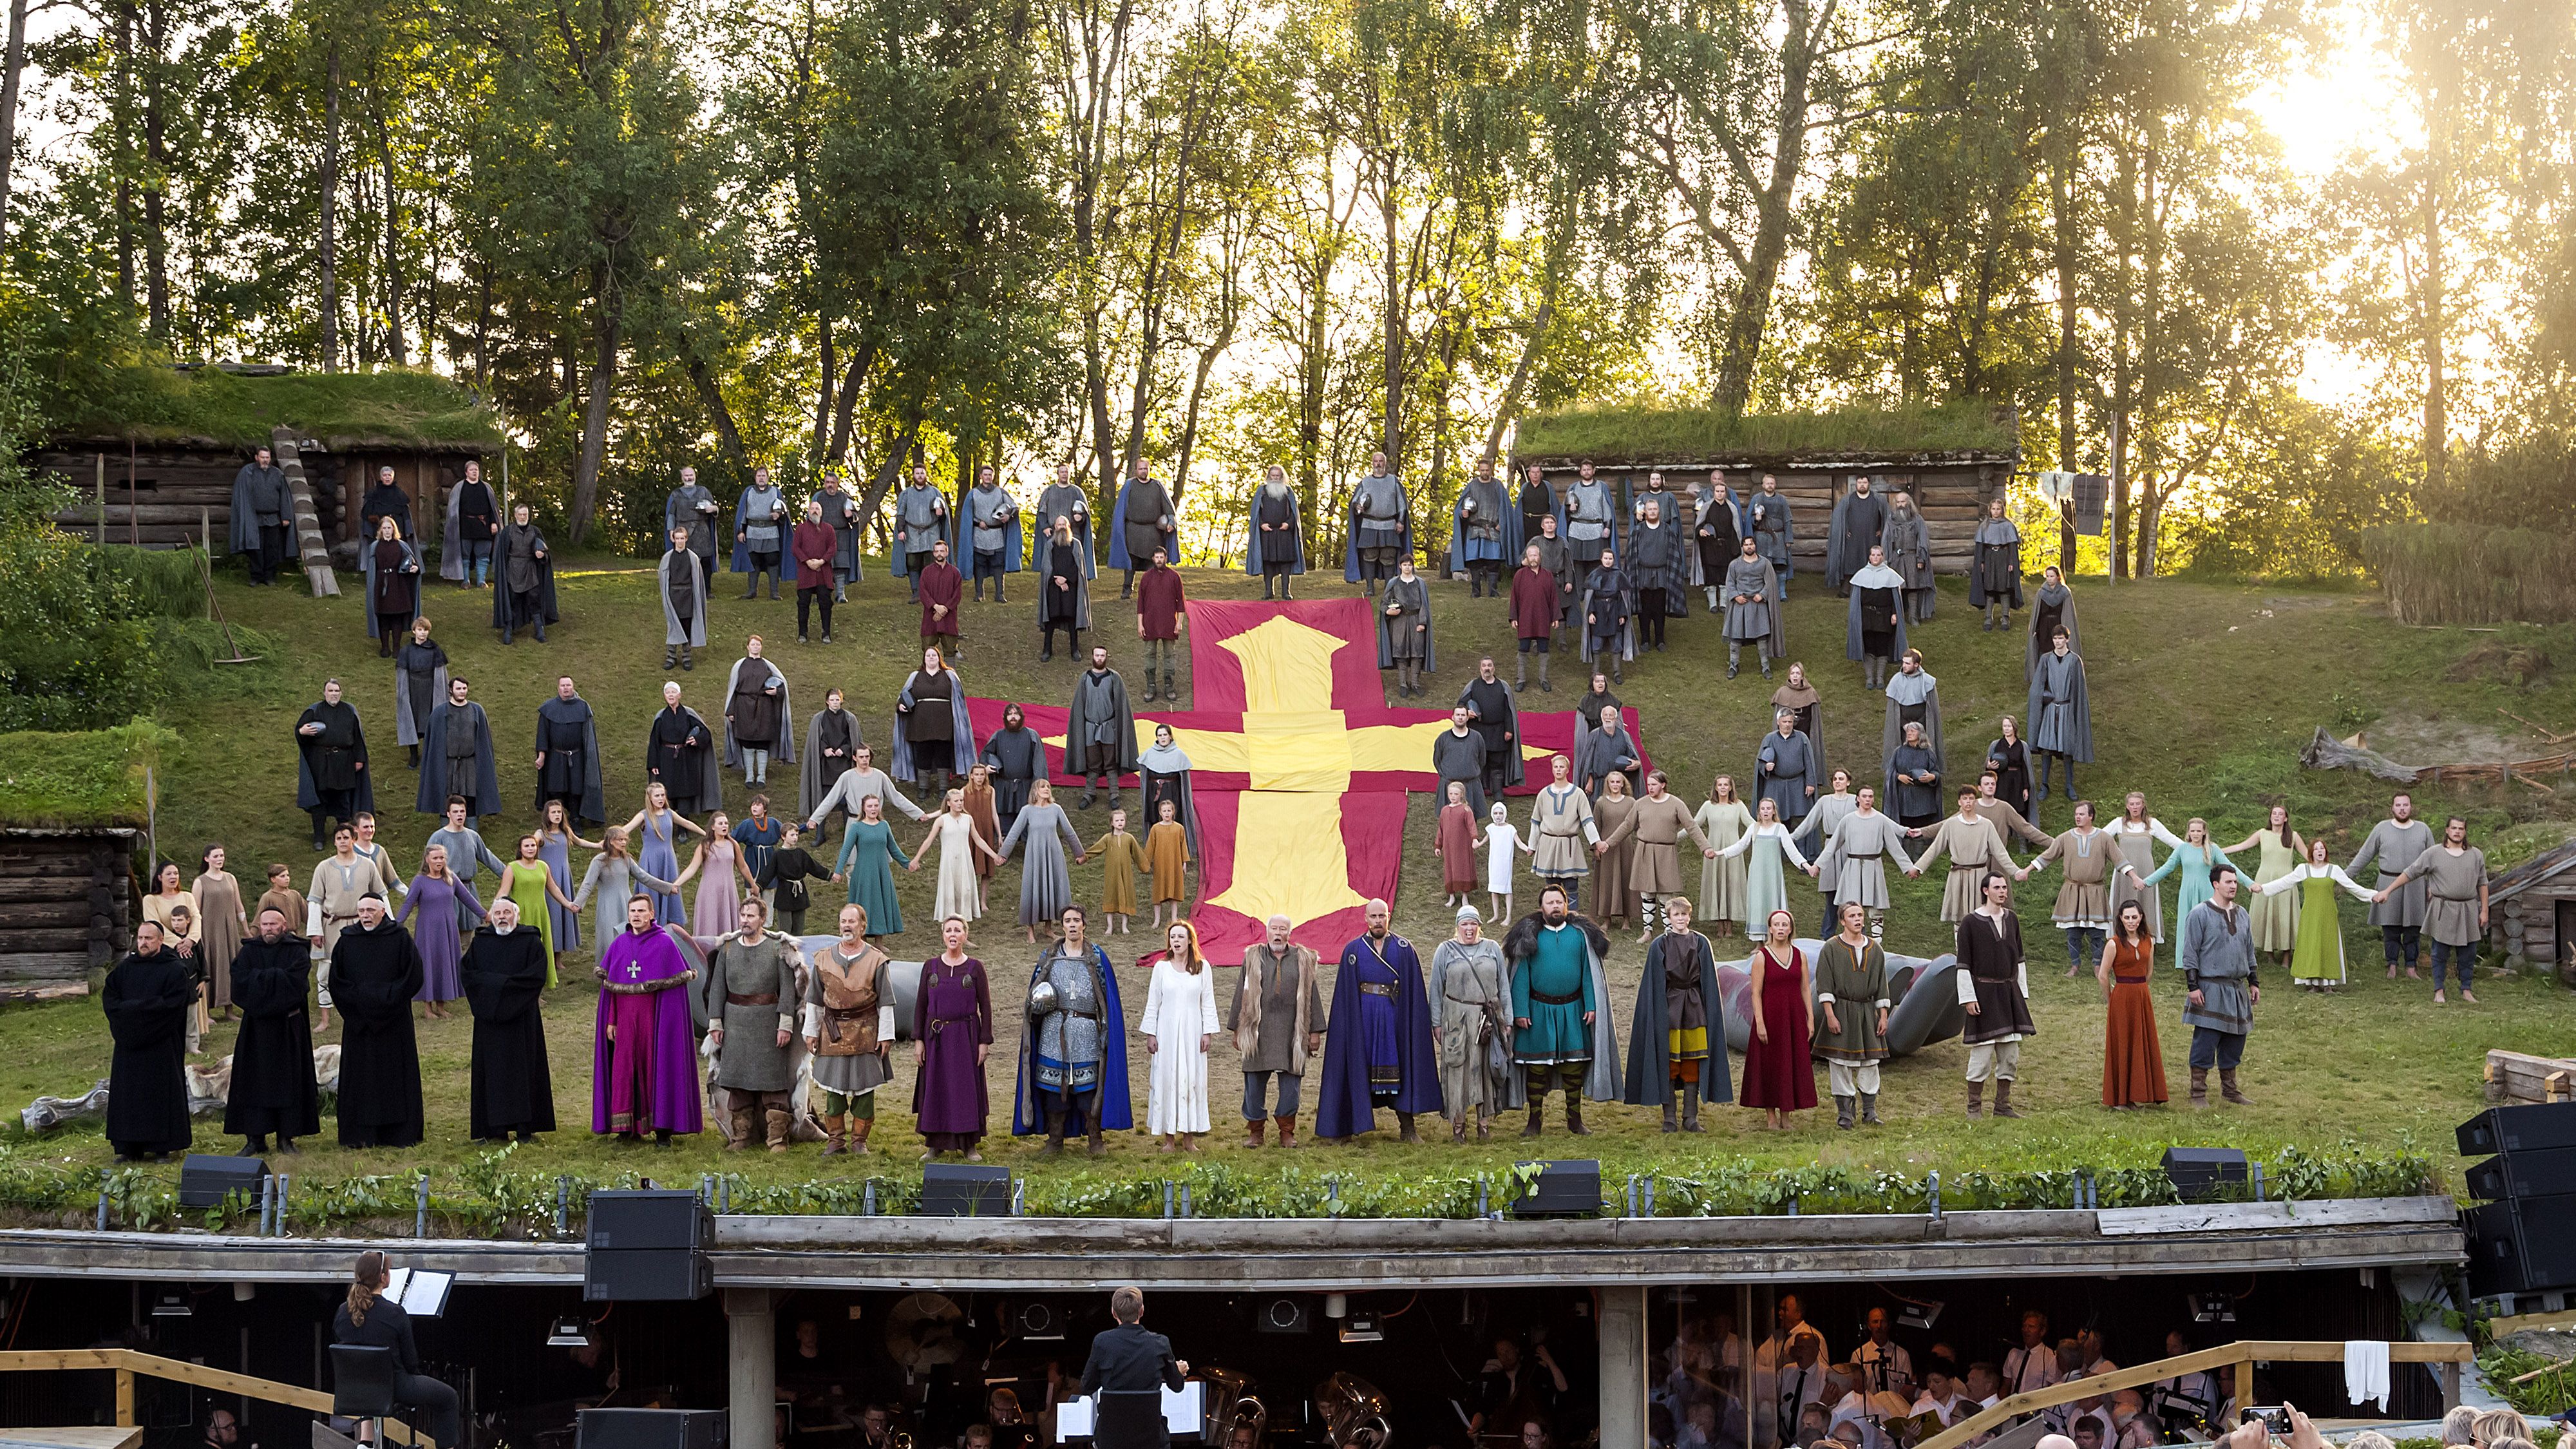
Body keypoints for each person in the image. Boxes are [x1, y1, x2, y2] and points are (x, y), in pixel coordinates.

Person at [1314, 899, 1441, 1142]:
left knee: (1402, 1067)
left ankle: (1408, 1129)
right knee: (1357, 1066)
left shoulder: (1405, 948)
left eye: (1382, 916)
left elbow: (1414, 991)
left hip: (1396, 1021)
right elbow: (1345, 995)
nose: (1378, 921)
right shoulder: (1353, 950)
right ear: (1366, 918)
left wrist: (1411, 1023)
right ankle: (1347, 1128)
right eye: (1373, 916)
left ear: (1389, 916)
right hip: (1363, 1021)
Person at [1502, 884, 1621, 1136]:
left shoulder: (1580, 936)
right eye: (1550, 903)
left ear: (1566, 905)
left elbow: (1589, 974)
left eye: (1559, 902)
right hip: (1538, 1012)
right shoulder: (1530, 937)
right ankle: (1534, 1121)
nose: (1555, 906)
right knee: (1536, 1069)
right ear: (1542, 907)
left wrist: (1591, 1004)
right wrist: (1521, 1010)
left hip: (1573, 1010)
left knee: (1574, 1067)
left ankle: (1574, 1120)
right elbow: (1521, 975)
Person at [1014, 905, 1134, 1154]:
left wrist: (1105, 1029)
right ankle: (1055, 1140)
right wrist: (1036, 1005)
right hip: (1053, 1029)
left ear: (1084, 925)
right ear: (1062, 925)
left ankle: (1095, 1139)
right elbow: (1034, 992)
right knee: (1052, 1088)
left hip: (1086, 1030)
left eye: (1076, 920)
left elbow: (1107, 997)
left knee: (1088, 1089)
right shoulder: (1049, 956)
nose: (1072, 925)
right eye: (1067, 921)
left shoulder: (1097, 958)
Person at [594, 895, 704, 1145]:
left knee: (657, 1070)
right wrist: (611, 1020)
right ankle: (626, 1129)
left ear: (652, 915)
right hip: (623, 1022)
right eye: (633, 911)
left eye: (642, 911)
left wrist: (664, 1027)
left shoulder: (664, 944)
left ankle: (662, 1128)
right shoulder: (619, 944)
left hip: (654, 1023)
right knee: (624, 1072)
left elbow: (674, 994)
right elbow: (611, 988)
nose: (636, 915)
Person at [334, 1252, 464, 1449]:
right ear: (384, 1278)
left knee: (369, 1381)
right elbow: (411, 1362)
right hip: (396, 1387)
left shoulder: (343, 1311)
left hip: (355, 1390)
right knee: (449, 1398)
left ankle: (365, 1444)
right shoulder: (395, 1313)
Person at [1624, 894, 1728, 1132]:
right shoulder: (1659, 945)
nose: (1680, 918)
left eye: (1684, 914)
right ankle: (1669, 1117)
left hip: (1694, 1010)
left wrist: (1706, 1008)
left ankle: (1690, 1118)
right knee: (1670, 1063)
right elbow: (1654, 984)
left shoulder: (1701, 943)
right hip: (1669, 1010)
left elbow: (1708, 982)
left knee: (1692, 1062)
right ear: (1668, 918)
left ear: (1689, 917)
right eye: (1676, 914)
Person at [705, 898, 802, 1151]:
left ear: (763, 919)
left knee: (773, 1082)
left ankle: (778, 1138)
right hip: (735, 1023)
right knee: (738, 1082)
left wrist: (785, 1024)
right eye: (743, 915)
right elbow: (717, 988)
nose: (745, 920)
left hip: (768, 1022)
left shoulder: (777, 948)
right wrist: (716, 1022)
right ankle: (742, 1136)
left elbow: (788, 990)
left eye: (751, 916)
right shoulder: (727, 948)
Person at [332, 893, 427, 1148]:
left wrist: (388, 1000)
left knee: (395, 1077)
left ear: (383, 911)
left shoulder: (399, 939)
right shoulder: (347, 941)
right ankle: (360, 1134)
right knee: (360, 1078)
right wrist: (361, 1005)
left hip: (394, 1022)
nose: (365, 915)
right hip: (359, 1025)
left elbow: (413, 975)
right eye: (361, 910)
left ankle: (398, 1134)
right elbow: (337, 982)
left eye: (370, 910)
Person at [460, 896, 556, 1142]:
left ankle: (525, 1129)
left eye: (507, 912)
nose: (502, 917)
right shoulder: (480, 942)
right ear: (491, 916)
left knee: (525, 1072)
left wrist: (500, 990)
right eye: (498, 913)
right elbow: (470, 976)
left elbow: (534, 977)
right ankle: (495, 1130)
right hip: (489, 1023)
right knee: (491, 1074)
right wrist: (499, 992)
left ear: (517, 916)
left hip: (522, 1021)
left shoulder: (530, 942)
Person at [225, 905, 319, 1152]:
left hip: (287, 1028)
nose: (268, 929)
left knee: (289, 1082)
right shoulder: (248, 952)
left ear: (284, 926)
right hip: (256, 1029)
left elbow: (296, 985)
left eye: (273, 925)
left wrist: (260, 981)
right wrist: (274, 981)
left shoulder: (297, 951)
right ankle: (255, 1139)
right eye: (264, 925)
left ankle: (285, 1138)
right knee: (253, 1082)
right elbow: (239, 983)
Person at [806, 905, 895, 1155]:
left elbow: (886, 1001)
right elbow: (814, 997)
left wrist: (886, 1035)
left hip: (866, 1032)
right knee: (834, 1087)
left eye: (852, 922)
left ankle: (859, 1142)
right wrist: (810, 1031)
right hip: (832, 1032)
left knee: (865, 1088)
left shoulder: (876, 959)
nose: (847, 926)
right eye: (843, 921)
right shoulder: (822, 958)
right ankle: (835, 1141)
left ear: (862, 926)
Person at [104, 921, 196, 1161]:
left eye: (149, 939)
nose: (143, 943)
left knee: (160, 1094)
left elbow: (173, 1006)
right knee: (128, 1094)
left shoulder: (174, 970)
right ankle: (129, 1147)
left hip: (161, 1044)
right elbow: (111, 1000)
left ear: (161, 940)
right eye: (141, 938)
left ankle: (161, 1146)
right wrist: (132, 1021)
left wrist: (134, 1012)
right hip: (128, 1046)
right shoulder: (125, 969)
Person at [2374, 817, 2490, 1005]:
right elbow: (2411, 872)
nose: (2457, 832)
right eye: (2454, 828)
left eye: (2461, 828)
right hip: (2443, 908)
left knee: (2468, 953)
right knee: (2440, 952)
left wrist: (2484, 911)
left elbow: (2483, 883)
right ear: (2447, 830)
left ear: (2465, 832)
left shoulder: (2476, 854)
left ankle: (2467, 989)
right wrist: (2387, 891)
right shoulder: (2434, 853)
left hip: (2468, 908)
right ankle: (2439, 990)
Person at [1233, 922, 1329, 1146]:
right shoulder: (1253, 957)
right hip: (1258, 1030)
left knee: (1291, 1085)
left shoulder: (1302, 959)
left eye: (1282, 929)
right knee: (1254, 1083)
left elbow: (1312, 995)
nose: (1278, 933)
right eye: (1274, 929)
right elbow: (1241, 993)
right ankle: (1256, 1132)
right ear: (1267, 932)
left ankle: (1287, 1132)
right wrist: (1237, 1029)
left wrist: (1314, 1031)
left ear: (1289, 933)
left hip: (1292, 1030)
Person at [1951, 871, 2034, 1119]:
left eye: (2005, 887)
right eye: (1997, 888)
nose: (2003, 892)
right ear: (1985, 891)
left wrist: (2022, 993)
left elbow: (2019, 958)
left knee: (2010, 1055)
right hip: (1983, 995)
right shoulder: (1970, 923)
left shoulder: (2012, 919)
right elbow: (1963, 963)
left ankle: (2003, 1106)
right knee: (1982, 1054)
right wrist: (1968, 997)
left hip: (2009, 994)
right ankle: (1974, 1108)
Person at [2179, 865, 2261, 1108]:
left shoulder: (2243, 914)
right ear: (2216, 884)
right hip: (2210, 988)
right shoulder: (2199, 914)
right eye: (2228, 882)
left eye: (2235, 882)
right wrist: (2193, 986)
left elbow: (2249, 950)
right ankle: (2198, 1093)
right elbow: (2190, 953)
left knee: (2235, 1041)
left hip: (2236, 989)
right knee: (2205, 1041)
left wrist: (2253, 982)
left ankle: (2230, 1090)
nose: (2233, 886)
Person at [914, 915, 996, 1160]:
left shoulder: (975, 968)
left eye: (957, 930)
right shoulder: (930, 967)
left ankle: (969, 1145)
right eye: (948, 930)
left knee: (965, 1090)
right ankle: (935, 1144)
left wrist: (984, 1041)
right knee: (936, 1089)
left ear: (964, 935)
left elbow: (986, 1006)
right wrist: (919, 1040)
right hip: (936, 1039)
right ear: (943, 935)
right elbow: (920, 1005)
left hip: (966, 1037)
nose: (953, 934)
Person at [1602, 770, 1717, 938]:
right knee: (1646, 893)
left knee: (1665, 894)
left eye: (1654, 785)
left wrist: (1705, 847)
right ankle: (1647, 931)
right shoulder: (1641, 804)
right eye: (1649, 785)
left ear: (1663, 785)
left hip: (1666, 853)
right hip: (1645, 851)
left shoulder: (1676, 804)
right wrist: (1609, 843)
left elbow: (1692, 826)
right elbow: (1627, 826)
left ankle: (1669, 931)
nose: (1650, 788)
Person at [1427, 905, 1508, 1142]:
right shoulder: (1445, 950)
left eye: (1473, 923)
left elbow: (1504, 987)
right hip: (1456, 1021)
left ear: (1479, 926)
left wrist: (1508, 1020)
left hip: (1487, 1021)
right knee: (1457, 1071)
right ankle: (1458, 1126)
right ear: (1457, 926)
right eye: (1465, 924)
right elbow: (1435, 989)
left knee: (1486, 1069)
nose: (1469, 928)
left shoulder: (1492, 948)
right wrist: (1436, 1023)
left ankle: (1483, 1125)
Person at [1142, 921, 1220, 1151]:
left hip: (1192, 1033)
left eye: (1180, 937)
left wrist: (1207, 1032)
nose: (1176, 941)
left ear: (1189, 941)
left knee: (1191, 1081)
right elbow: (1153, 1002)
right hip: (1166, 1033)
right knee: (1166, 1079)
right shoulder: (1161, 968)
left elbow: (1208, 1002)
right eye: (1172, 937)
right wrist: (1151, 1034)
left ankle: (1189, 1138)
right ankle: (1168, 1138)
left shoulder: (1203, 968)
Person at [2260, 839, 2376, 990]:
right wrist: (2263, 888)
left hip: (2328, 915)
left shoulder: (2333, 870)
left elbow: (2352, 887)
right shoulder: (2303, 869)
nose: (2320, 851)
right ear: (2311, 853)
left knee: (2328, 945)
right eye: (2316, 849)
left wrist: (2373, 896)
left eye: (2322, 848)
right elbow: (2285, 882)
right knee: (2312, 946)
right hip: (2310, 915)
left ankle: (2328, 985)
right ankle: (2312, 982)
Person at [1814, 902, 1891, 1129]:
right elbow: (1825, 986)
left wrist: (1883, 1015)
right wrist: (1830, 1015)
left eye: (1860, 915)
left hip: (1868, 1012)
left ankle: (1870, 1111)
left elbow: (1881, 985)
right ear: (1842, 921)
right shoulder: (1831, 948)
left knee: (1870, 1063)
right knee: (1840, 1063)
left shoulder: (1875, 949)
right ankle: (1845, 1113)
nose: (1857, 919)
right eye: (1852, 916)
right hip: (1842, 1011)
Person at [2027, 800, 2126, 976]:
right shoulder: (2065, 838)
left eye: (2081, 814)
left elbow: (2119, 860)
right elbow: (2047, 856)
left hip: (2095, 891)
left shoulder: (2104, 838)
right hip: (2072, 890)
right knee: (2073, 932)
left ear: (2091, 816)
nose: (2078, 817)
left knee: (2096, 932)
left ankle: (2098, 966)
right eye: (2076, 814)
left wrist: (2134, 878)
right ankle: (2075, 966)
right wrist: (2026, 871)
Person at [1082, 1287, 1187, 1449]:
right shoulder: (1160, 1343)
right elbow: (1177, 1386)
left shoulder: (1102, 1342)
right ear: (1142, 1311)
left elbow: (1087, 1386)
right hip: (1151, 1441)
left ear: (1114, 1313)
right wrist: (1174, 1371)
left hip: (1111, 1440)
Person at [1740, 910, 1815, 1130]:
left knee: (1791, 1063)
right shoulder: (1762, 957)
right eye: (1777, 925)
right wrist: (1760, 1023)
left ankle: (1787, 1116)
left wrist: (1810, 1018)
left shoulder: (1799, 955)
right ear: (1770, 929)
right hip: (1771, 1019)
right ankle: (1771, 1116)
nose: (1781, 928)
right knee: (1770, 1065)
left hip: (1793, 1019)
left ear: (1790, 929)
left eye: (1785, 925)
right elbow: (1756, 992)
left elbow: (1805, 989)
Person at [2349, 794, 2434, 981]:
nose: (2402, 808)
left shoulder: (2423, 830)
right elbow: (2365, 855)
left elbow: (2433, 861)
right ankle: (2392, 966)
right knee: (2390, 928)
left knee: (2413, 929)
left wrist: (2433, 885)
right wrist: (2344, 877)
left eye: (2405, 805)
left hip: (2415, 885)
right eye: (2398, 805)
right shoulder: (2382, 829)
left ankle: (2411, 967)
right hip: (2388, 884)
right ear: (2392, 808)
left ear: (2411, 807)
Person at [398, 843, 486, 1019]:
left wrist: (486, 915)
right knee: (428, 964)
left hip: (447, 929)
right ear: (427, 860)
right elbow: (408, 904)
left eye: (442, 858)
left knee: (445, 963)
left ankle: (441, 1006)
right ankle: (428, 1008)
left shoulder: (450, 878)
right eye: (435, 858)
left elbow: (467, 899)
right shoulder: (420, 881)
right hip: (427, 930)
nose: (439, 861)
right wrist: (396, 924)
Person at [999, 779, 1089, 941]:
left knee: (1052, 888)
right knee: (1033, 888)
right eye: (1043, 787)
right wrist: (1003, 854)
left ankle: (1048, 928)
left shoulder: (1056, 809)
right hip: (1034, 854)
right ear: (1035, 791)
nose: (1047, 789)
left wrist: (1079, 853)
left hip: (1054, 853)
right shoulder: (1027, 810)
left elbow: (1069, 831)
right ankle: (1030, 930)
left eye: (1048, 787)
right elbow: (1014, 833)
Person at [2099, 899, 2168, 1109]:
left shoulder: (2149, 941)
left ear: (2141, 918)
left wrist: (2140, 990)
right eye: (2127, 917)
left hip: (2141, 995)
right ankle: (2120, 1098)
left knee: (2141, 1042)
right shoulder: (2114, 943)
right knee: (2123, 1044)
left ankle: (2137, 1092)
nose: (2131, 921)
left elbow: (2148, 972)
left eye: (2134, 917)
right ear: (2121, 918)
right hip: (2121, 996)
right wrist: (2112, 998)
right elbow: (2103, 975)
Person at [1819, 786, 1917, 932]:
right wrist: (1818, 865)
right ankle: (1854, 941)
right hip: (1853, 866)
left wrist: (1908, 867)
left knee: (1875, 907)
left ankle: (1877, 944)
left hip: (1873, 866)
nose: (1868, 799)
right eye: (1864, 796)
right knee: (1852, 906)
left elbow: (1894, 846)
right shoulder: (1848, 820)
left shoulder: (1880, 820)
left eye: (1871, 797)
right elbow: (1832, 846)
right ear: (1858, 799)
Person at [1716, 796, 1819, 928]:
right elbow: (1740, 846)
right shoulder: (1754, 828)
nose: (1766, 811)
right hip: (1757, 874)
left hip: (1773, 874)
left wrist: (1807, 867)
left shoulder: (1780, 829)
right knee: (1758, 902)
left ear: (1774, 811)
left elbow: (1792, 851)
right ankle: (1758, 940)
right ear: (1759, 812)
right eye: (1763, 809)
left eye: (1769, 809)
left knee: (1772, 902)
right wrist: (1719, 853)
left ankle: (1773, 937)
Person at [2222, 804, 2304, 969]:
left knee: (2285, 916)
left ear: (2286, 818)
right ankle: (2269, 956)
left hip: (2286, 881)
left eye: (2280, 814)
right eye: (2274, 813)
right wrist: (2217, 851)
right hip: (2264, 880)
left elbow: (2308, 855)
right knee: (2266, 915)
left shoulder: (2293, 836)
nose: (2276, 816)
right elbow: (2241, 846)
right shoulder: (2262, 834)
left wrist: (2324, 868)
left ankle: (2286, 958)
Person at [295, 679, 374, 849]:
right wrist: (302, 731)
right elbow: (300, 730)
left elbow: (358, 736)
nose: (334, 694)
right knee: (320, 801)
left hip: (344, 763)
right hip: (321, 763)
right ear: (324, 693)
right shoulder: (314, 710)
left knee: (343, 801)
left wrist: (359, 759)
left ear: (341, 693)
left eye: (337, 691)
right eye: (331, 691)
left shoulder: (349, 710)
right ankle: (319, 838)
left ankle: (344, 836)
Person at [573, 827, 679, 951]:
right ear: (611, 841)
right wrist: (578, 903)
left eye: (625, 840)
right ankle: (609, 967)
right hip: (608, 906)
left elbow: (644, 877)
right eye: (620, 840)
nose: (624, 843)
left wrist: (668, 887)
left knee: (629, 934)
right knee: (610, 937)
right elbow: (588, 884)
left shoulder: (626, 860)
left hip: (626, 903)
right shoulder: (599, 861)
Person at [892, 645, 972, 799]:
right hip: (920, 723)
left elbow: (959, 699)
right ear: (924, 659)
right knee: (923, 753)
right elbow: (904, 695)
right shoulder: (915, 676)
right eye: (928, 656)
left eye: (934, 655)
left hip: (945, 722)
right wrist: (900, 705)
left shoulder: (950, 676)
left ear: (939, 658)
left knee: (943, 753)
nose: (931, 658)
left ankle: (943, 789)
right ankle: (923, 787)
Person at [417, 676, 500, 820]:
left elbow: (484, 741)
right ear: (451, 690)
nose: (462, 692)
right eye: (458, 688)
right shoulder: (439, 713)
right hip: (448, 764)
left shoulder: (477, 711)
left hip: (470, 764)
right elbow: (433, 744)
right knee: (447, 799)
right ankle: (446, 834)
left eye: (464, 688)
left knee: (471, 799)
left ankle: (472, 836)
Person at [1068, 646, 1139, 810]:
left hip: (1109, 727)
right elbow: (1079, 705)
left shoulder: (1114, 678)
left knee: (1110, 762)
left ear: (1107, 657)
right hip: (1090, 728)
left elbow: (1121, 704)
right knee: (1093, 762)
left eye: (1102, 655)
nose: (1099, 658)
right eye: (1097, 655)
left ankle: (1114, 794)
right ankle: (1089, 793)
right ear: (1092, 657)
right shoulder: (1084, 678)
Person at [830, 794, 911, 939]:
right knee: (863, 905)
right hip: (863, 873)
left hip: (881, 872)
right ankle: (862, 941)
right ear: (864, 808)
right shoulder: (857, 827)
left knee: (880, 904)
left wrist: (908, 864)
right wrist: (838, 871)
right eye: (870, 806)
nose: (873, 809)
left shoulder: (884, 826)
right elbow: (846, 850)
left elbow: (893, 849)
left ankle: (879, 942)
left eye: (876, 805)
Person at [2026, 627, 2092, 801]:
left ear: (2067, 640)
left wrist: (2076, 712)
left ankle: (2069, 785)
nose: (2057, 641)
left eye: (2061, 638)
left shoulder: (2074, 660)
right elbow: (2037, 687)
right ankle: (2044, 785)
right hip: (2050, 709)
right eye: (2055, 638)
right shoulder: (2046, 659)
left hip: (2067, 709)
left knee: (2067, 749)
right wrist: (2043, 697)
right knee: (2047, 748)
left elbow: (2079, 690)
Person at [1528, 753, 1600, 912]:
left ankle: (1572, 916)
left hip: (1569, 844)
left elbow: (1587, 821)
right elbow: (1536, 822)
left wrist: (1596, 842)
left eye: (1562, 767)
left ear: (1567, 770)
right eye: (1556, 767)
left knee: (1571, 883)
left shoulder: (1578, 794)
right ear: (1552, 770)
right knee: (1552, 884)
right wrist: (1532, 845)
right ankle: (1551, 915)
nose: (1558, 770)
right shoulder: (1544, 794)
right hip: (1549, 843)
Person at [722, 637, 795, 790]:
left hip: (764, 707)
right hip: (743, 707)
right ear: (748, 647)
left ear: (761, 647)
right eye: (753, 644)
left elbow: (782, 686)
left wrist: (777, 691)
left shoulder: (768, 666)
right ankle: (749, 776)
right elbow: (733, 690)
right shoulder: (739, 666)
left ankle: (761, 776)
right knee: (747, 741)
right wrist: (731, 710)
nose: (756, 647)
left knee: (763, 742)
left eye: (758, 644)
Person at [647, 680, 724, 818]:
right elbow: (654, 741)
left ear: (679, 695)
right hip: (667, 759)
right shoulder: (661, 717)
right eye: (668, 692)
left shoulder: (689, 715)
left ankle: (684, 827)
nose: (671, 695)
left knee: (685, 790)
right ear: (665, 696)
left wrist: (697, 740)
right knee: (667, 790)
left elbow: (705, 732)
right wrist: (654, 763)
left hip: (686, 758)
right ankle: (668, 822)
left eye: (673, 692)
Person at [533, 676, 605, 826]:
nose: (566, 688)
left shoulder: (583, 707)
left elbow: (588, 736)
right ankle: (557, 819)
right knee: (555, 788)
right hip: (556, 756)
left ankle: (575, 818)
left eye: (568, 685)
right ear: (558, 688)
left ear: (573, 687)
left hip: (577, 755)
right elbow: (543, 734)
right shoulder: (549, 708)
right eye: (563, 685)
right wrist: (542, 755)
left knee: (576, 788)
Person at [1882, 652, 1944, 822]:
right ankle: (1901, 776)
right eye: (1903, 663)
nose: (1904, 666)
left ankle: (1924, 774)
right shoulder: (1897, 680)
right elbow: (1896, 707)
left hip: (1922, 720)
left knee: (1921, 751)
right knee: (1904, 752)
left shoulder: (1927, 681)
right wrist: (1905, 725)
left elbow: (1931, 707)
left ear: (1917, 665)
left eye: (1908, 663)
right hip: (1903, 719)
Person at [1693, 777, 1756, 936]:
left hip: (1733, 850)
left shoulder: (1738, 806)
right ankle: (1719, 925)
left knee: (1732, 883)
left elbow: (1752, 824)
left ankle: (1730, 925)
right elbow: (1693, 825)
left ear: (1730, 788)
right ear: (1715, 788)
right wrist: (1673, 837)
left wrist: (1772, 830)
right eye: (1719, 785)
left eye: (1725, 785)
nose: (1722, 787)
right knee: (1716, 882)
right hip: (1712, 850)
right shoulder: (1708, 806)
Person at [1451, 455, 1521, 597]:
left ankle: (1493, 591)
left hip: (1493, 528)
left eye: (1487, 470)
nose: (1485, 473)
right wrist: (1462, 513)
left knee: (1493, 562)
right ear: (1478, 471)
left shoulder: (1498, 486)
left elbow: (1506, 508)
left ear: (1491, 470)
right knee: (1474, 561)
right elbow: (1460, 507)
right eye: (1482, 470)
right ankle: (1475, 591)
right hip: (1475, 528)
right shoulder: (1472, 485)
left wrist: (1503, 523)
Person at [1108, 457, 1177, 599]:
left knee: (1154, 562)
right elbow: (1120, 509)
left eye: (1146, 468)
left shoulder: (1157, 486)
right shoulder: (1129, 485)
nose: (1143, 471)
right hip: (1133, 530)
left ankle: (1155, 590)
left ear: (1149, 469)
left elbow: (1168, 508)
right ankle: (1127, 589)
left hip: (1153, 531)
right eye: (1141, 469)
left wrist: (1171, 522)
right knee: (1131, 561)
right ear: (1136, 470)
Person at [1345, 451, 1411, 596]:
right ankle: (1370, 588)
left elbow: (1401, 504)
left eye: (1381, 461)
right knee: (1369, 555)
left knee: (1389, 556)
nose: (1378, 464)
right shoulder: (1365, 482)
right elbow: (1355, 502)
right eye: (1376, 461)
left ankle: (1389, 588)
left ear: (1385, 463)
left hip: (1389, 524)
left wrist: (1400, 521)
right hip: (1369, 524)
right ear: (1372, 463)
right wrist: (1358, 507)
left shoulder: (1394, 481)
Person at [1628, 493, 1688, 650]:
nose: (1653, 512)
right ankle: (1645, 640)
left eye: (1655, 509)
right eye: (1650, 509)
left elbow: (1673, 554)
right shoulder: (1638, 530)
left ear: (1659, 512)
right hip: (1643, 573)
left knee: (1659, 607)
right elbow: (1631, 555)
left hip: (1662, 573)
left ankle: (1660, 640)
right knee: (1645, 608)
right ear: (1645, 512)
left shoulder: (1667, 530)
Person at [1844, 545, 1907, 689]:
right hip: (1867, 616)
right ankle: (1869, 678)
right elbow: (1857, 600)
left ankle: (1880, 679)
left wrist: (1894, 613)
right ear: (1869, 557)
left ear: (1883, 557)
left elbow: (1895, 598)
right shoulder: (1861, 574)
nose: (1875, 558)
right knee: (1869, 646)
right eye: (1873, 555)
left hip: (1884, 616)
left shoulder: (1890, 574)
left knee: (1882, 646)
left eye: (1878, 555)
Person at [493, 502, 556, 645]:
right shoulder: (508, 532)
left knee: (534, 599)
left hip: (530, 571)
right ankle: (508, 630)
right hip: (513, 570)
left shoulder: (535, 531)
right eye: (520, 514)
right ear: (515, 515)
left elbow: (545, 552)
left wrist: (542, 556)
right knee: (512, 599)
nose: (523, 517)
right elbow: (501, 555)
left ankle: (539, 630)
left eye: (525, 514)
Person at [958, 465, 1023, 602]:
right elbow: (968, 515)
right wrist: (978, 522)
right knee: (979, 565)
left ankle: (1000, 594)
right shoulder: (973, 493)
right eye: (985, 474)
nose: (988, 477)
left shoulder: (1000, 492)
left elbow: (1014, 507)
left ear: (993, 476)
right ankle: (979, 594)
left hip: (996, 534)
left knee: (998, 565)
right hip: (979, 534)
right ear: (980, 476)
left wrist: (1008, 516)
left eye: (990, 475)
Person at [391, 617, 449, 769]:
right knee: (413, 719)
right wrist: (403, 695)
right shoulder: (406, 651)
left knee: (430, 719)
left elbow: (441, 673)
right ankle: (413, 755)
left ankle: (430, 754)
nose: (423, 633)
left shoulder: (435, 650)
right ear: (414, 631)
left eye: (426, 630)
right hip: (413, 689)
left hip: (430, 689)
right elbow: (402, 674)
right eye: (420, 630)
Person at [361, 516, 424, 655]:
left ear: (394, 529)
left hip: (398, 584)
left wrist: (415, 568)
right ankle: (384, 648)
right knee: (383, 617)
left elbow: (411, 562)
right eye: (384, 528)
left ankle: (396, 648)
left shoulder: (401, 545)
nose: (387, 531)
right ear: (381, 530)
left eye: (389, 528)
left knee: (397, 617)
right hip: (381, 584)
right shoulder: (375, 547)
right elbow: (372, 568)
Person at [229, 446, 291, 585]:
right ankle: (256, 577)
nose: (265, 460)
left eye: (267, 457)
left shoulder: (278, 474)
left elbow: (284, 497)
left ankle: (270, 577)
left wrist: (285, 516)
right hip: (254, 518)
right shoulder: (247, 473)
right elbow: (241, 494)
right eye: (262, 457)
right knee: (255, 549)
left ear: (270, 458)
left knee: (272, 549)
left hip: (273, 518)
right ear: (257, 457)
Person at [1038, 513, 1095, 662]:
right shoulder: (1050, 545)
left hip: (1071, 587)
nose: (1062, 527)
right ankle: (1047, 650)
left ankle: (1075, 650)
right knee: (1050, 619)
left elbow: (1080, 567)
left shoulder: (1076, 544)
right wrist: (1057, 580)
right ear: (1055, 527)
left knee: (1071, 618)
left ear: (1069, 527)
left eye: (1064, 524)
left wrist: (1067, 579)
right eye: (1059, 525)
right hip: (1054, 586)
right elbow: (1046, 566)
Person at [1244, 463, 1306, 598]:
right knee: (1268, 563)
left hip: (1285, 533)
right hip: (1267, 533)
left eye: (1278, 476)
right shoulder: (1262, 491)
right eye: (1273, 476)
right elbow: (1256, 513)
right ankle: (1268, 592)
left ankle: (1286, 592)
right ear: (1268, 476)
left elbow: (1294, 513)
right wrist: (1261, 525)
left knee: (1285, 564)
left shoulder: (1288, 492)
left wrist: (1288, 524)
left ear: (1282, 477)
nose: (1275, 478)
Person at [1379, 553, 1436, 695]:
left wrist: (1422, 622)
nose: (1407, 567)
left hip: (1416, 619)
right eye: (1405, 565)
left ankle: (1415, 684)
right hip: (1399, 621)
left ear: (1413, 566)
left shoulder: (1420, 583)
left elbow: (1424, 604)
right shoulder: (1394, 583)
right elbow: (1384, 603)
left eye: (1409, 565)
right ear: (1400, 566)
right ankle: (1403, 684)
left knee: (1417, 652)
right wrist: (1388, 611)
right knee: (1400, 652)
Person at [1135, 547, 1186, 702]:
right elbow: (1140, 604)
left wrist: (1180, 623)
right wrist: (1140, 624)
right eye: (1156, 557)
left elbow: (1181, 603)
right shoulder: (1146, 578)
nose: (1159, 560)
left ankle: (1169, 687)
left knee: (1169, 655)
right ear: (1153, 559)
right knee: (1150, 654)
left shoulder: (1175, 577)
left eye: (1161, 557)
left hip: (1169, 623)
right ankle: (1151, 687)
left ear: (1165, 558)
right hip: (1150, 623)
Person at [761, 824, 832, 936]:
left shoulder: (801, 854)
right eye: (792, 835)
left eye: (797, 835)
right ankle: (784, 952)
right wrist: (758, 886)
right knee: (785, 930)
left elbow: (814, 867)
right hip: (785, 894)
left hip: (799, 894)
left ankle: (797, 952)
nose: (795, 838)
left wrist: (830, 875)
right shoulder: (778, 855)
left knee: (798, 931)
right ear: (783, 837)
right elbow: (768, 873)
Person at [731, 465, 790, 599]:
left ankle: (774, 592)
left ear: (768, 478)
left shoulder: (776, 492)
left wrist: (779, 516)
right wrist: (741, 531)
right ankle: (752, 591)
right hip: (753, 531)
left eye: (764, 475)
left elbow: (784, 511)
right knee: (754, 560)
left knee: (772, 560)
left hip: (771, 531)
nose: (761, 478)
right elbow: (743, 512)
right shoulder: (748, 492)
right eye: (759, 476)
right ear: (755, 478)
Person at [1690, 469, 1746, 610]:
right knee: (1711, 575)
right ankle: (1712, 604)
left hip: (1726, 546)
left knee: (1724, 575)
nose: (1720, 494)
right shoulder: (1707, 507)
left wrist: (1736, 547)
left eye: (1722, 491)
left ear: (1726, 493)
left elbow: (1736, 528)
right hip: (1710, 546)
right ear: (1714, 492)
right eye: (1717, 491)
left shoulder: (1731, 508)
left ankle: (1723, 603)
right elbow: (1699, 524)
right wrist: (1700, 531)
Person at [1508, 544, 1560, 690]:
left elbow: (1554, 598)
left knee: (1544, 648)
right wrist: (1514, 617)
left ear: (1540, 557)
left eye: (1536, 555)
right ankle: (1521, 679)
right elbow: (1514, 598)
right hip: (1525, 618)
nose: (1533, 558)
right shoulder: (1520, 575)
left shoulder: (1548, 575)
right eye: (1530, 555)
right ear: (1527, 558)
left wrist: (1555, 617)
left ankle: (1543, 679)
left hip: (1543, 618)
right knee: (1523, 648)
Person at [658, 526, 710, 671]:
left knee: (686, 625)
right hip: (673, 595)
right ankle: (671, 656)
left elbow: (698, 581)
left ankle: (686, 656)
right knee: (673, 625)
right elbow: (663, 579)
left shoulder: (693, 558)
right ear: (673, 539)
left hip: (688, 596)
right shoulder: (667, 558)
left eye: (682, 538)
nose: (680, 541)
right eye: (677, 538)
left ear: (686, 539)